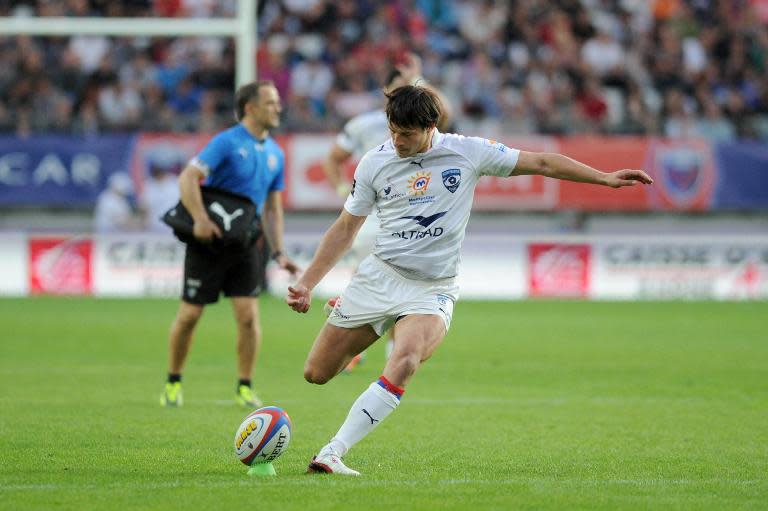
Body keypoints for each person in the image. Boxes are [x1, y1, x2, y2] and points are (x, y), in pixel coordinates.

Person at [286, 85, 653, 475]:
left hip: (432, 288)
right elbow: (345, 228)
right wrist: (308, 281)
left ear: (431, 126)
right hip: (379, 277)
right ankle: (350, 310)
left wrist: (605, 178)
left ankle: (332, 451)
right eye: (392, 131)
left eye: (406, 134)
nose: (397, 141)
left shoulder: (467, 152)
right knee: (317, 373)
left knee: (406, 359)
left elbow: (543, 163)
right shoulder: (374, 163)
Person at [161, 80, 299, 408]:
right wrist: (199, 219)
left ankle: (244, 386)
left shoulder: (275, 153)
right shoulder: (226, 142)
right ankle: (173, 381)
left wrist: (278, 252)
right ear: (250, 107)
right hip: (208, 243)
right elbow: (187, 178)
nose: (278, 107)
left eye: (277, 102)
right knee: (190, 315)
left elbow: (272, 207)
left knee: (249, 317)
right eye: (270, 102)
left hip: (246, 245)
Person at [323, 52, 451, 371]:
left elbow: (444, 115)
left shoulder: (421, 122)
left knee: (393, 282)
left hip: (410, 212)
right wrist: (343, 191)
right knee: (373, 275)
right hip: (375, 214)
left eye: (410, 88)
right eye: (398, 88)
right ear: (385, 94)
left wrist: (419, 81)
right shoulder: (364, 125)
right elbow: (332, 159)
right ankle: (358, 338)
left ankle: (386, 347)